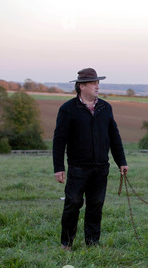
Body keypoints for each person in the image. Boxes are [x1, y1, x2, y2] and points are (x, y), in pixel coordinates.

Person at [53, 68, 128, 251]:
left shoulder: (105, 107)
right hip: (78, 169)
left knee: (95, 206)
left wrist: (122, 162)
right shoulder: (68, 109)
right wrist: (59, 167)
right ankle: (66, 243)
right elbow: (59, 140)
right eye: (94, 83)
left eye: (97, 82)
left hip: (101, 168)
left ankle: (92, 244)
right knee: (72, 205)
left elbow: (114, 137)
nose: (97, 86)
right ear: (82, 86)